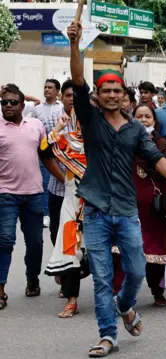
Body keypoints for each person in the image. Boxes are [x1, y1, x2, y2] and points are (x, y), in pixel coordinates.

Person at [68, 21, 166, 357]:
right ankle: (107, 336)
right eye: (105, 90)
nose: (111, 95)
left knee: (136, 271)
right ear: (98, 95)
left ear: (125, 96)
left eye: (116, 91)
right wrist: (75, 44)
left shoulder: (137, 129)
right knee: (102, 279)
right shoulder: (90, 118)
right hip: (94, 209)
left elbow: (154, 158)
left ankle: (126, 307)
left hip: (126, 211)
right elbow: (78, 80)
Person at [0, 84, 61, 309]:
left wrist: (63, 178)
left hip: (34, 194)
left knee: (35, 242)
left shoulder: (36, 126)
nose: (7, 106)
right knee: (5, 241)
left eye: (12, 102)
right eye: (4, 102)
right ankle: (1, 290)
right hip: (5, 194)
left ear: (22, 105)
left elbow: (46, 156)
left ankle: (32, 278)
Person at [41, 80, 89, 318]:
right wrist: (58, 130)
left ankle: (115, 297)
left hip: (99, 202)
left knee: (107, 250)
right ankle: (71, 300)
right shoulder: (64, 136)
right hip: (71, 201)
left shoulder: (100, 133)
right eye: (70, 96)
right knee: (70, 250)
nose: (75, 101)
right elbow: (43, 150)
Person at [132, 104, 166, 305]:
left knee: (156, 252)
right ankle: (125, 294)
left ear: (155, 121)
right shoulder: (123, 144)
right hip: (130, 206)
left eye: (147, 117)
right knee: (126, 252)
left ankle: (157, 291)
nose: (144, 120)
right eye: (139, 116)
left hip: (156, 207)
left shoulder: (165, 145)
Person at [34, 78, 64, 228]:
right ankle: (47, 214)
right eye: (45, 87)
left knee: (62, 182)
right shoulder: (37, 109)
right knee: (47, 182)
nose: (47, 90)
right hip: (45, 151)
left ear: (57, 91)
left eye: (50, 88)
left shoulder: (63, 108)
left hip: (63, 151)